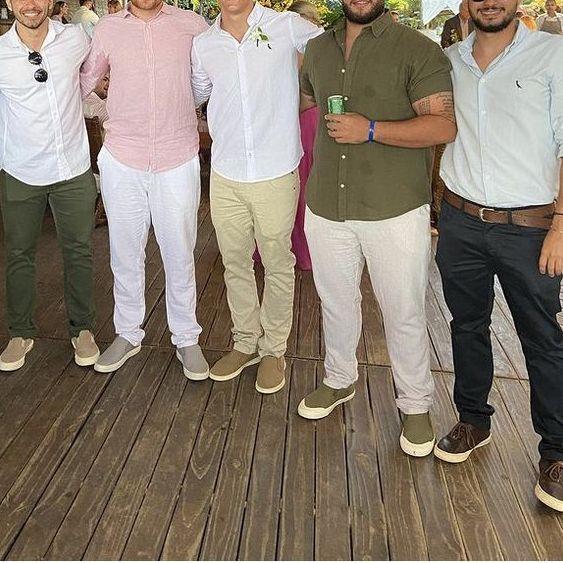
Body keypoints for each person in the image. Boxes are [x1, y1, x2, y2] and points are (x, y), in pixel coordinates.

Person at [297, 0, 456, 458]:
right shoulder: (317, 48)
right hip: (327, 204)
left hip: (394, 208)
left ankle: (416, 403)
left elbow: (443, 126)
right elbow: (305, 102)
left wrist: (370, 130)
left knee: (403, 310)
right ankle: (339, 378)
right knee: (335, 301)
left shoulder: (417, 49)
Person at [435, 0, 563, 512]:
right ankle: (473, 420)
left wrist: (561, 225)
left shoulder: (552, 54)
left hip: (530, 228)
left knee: (542, 339)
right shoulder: (450, 60)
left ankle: (556, 451)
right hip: (461, 220)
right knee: (466, 325)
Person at [191, 0, 321, 394]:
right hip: (226, 172)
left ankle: (273, 350)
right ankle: (245, 342)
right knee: (235, 262)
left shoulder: (288, 26)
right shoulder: (204, 43)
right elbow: (198, 92)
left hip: (276, 169)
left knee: (278, 261)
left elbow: (334, 56)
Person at [81, 0, 209, 378]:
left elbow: (204, 80)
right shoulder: (108, 28)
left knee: (180, 252)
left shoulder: (192, 24)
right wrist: (102, 106)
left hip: (177, 155)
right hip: (123, 157)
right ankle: (127, 333)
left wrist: (179, 103)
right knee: (124, 252)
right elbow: (84, 81)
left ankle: (186, 337)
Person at [0, 0, 99, 371]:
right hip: (20, 170)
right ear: (9, 2)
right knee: (19, 253)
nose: (30, 4)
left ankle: (82, 328)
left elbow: (102, 69)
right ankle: (20, 333)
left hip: (72, 167)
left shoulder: (76, 38)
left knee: (79, 250)